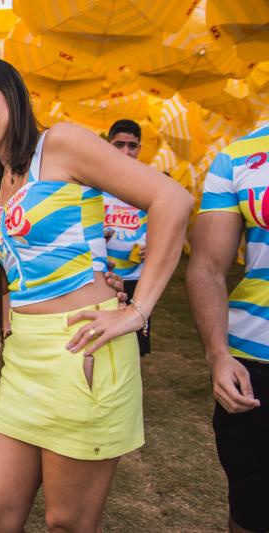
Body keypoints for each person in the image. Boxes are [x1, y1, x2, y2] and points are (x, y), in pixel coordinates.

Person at [0, 57, 192, 531]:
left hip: (82, 348)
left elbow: (172, 199)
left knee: (67, 522)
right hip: (23, 358)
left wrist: (138, 310)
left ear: (13, 98)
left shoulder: (59, 144)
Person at [187, 125, 269, 533]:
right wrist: (218, 355)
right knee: (252, 510)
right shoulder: (239, 157)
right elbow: (207, 266)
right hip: (256, 360)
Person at [104, 119, 150, 356]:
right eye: (119, 144)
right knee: (104, 340)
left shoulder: (149, 186)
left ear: (139, 148)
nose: (126, 151)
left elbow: (162, 226)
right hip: (105, 278)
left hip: (139, 279)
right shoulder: (96, 183)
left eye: (132, 146)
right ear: (108, 145)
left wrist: (154, 247)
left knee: (136, 345)